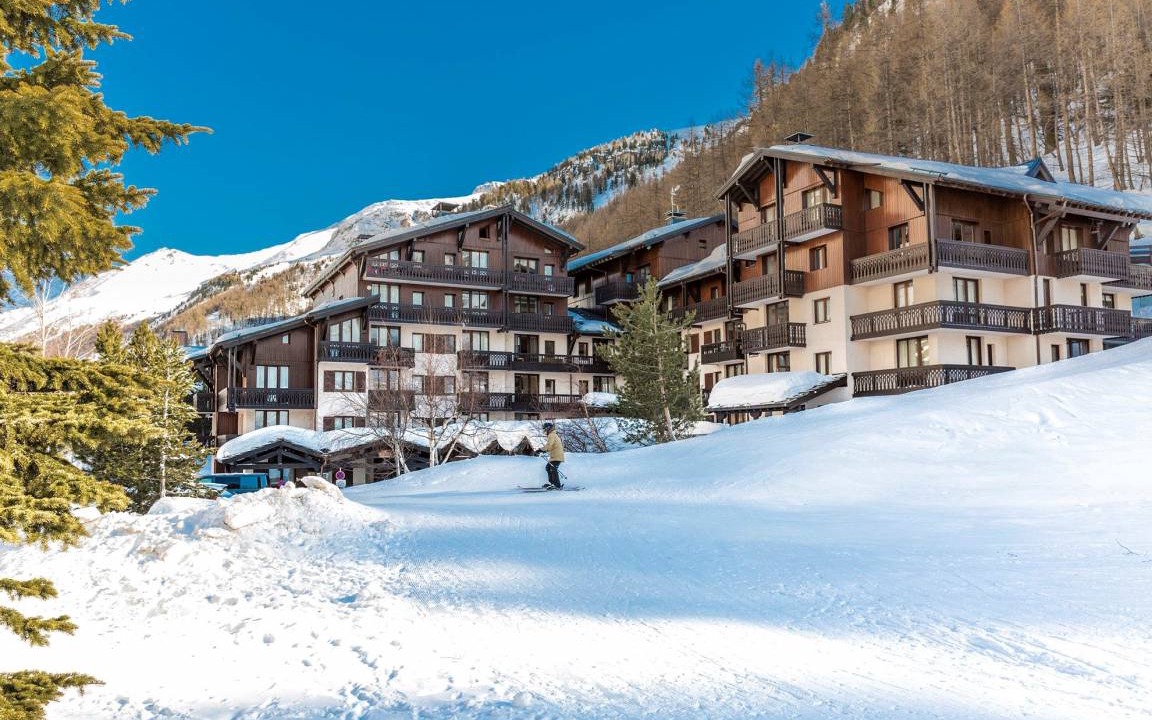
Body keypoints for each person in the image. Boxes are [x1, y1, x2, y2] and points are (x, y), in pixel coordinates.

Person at [542, 421, 565, 489]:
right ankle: (552, 483)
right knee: (548, 468)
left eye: (545, 429)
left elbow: (549, 445)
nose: (544, 430)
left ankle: (557, 485)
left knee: (553, 469)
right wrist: (543, 450)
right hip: (554, 456)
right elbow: (551, 446)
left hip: (557, 456)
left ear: (548, 428)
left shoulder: (551, 435)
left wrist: (541, 450)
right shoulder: (552, 434)